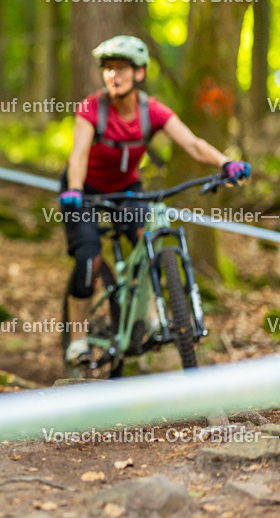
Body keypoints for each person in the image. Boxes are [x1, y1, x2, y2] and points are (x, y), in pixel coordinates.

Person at [58, 35, 251, 365]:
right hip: (84, 191)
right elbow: (78, 155)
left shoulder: (152, 111)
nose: (112, 76)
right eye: (107, 69)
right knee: (88, 259)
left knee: (147, 242)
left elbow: (191, 143)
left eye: (120, 68)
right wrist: (74, 191)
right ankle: (77, 339)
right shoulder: (92, 107)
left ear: (140, 73)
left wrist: (224, 163)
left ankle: (150, 315)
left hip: (127, 188)